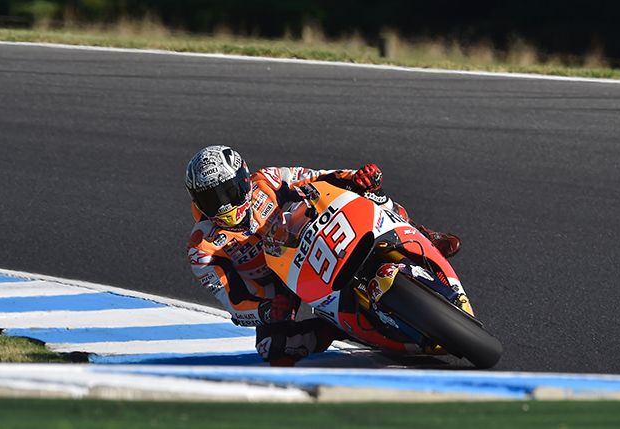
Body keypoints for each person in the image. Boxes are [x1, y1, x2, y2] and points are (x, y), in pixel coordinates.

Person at [185, 145, 460, 366]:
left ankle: (420, 234)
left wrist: (357, 177)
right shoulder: (202, 247)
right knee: (273, 348)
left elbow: (320, 177)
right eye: (212, 199)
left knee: (367, 193)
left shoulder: (268, 180)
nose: (224, 205)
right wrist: (265, 310)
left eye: (228, 192)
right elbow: (233, 302)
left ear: (244, 179)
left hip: (306, 234)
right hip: (277, 283)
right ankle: (337, 327)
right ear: (197, 202)